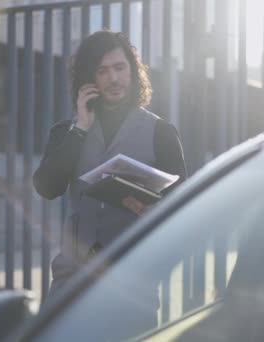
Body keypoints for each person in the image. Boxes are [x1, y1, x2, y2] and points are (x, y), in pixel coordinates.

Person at [33, 30, 187, 297]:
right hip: (72, 280)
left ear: (133, 71)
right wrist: (81, 128)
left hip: (134, 280)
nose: (113, 78)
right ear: (88, 79)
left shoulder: (161, 132)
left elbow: (184, 207)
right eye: (102, 71)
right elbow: (47, 187)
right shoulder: (66, 131)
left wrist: (151, 209)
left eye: (119, 67)